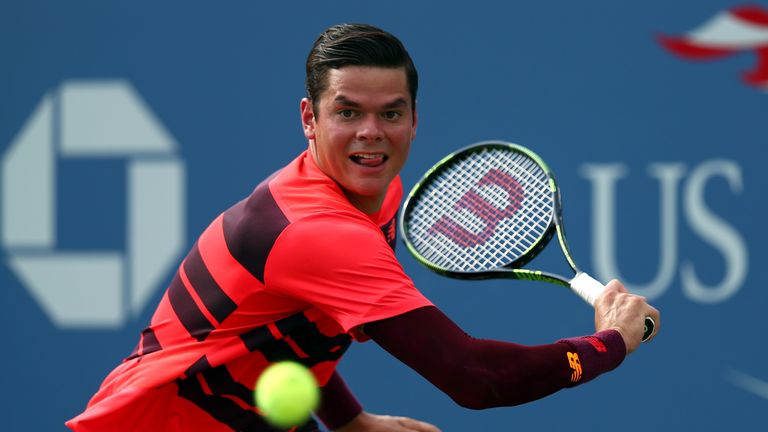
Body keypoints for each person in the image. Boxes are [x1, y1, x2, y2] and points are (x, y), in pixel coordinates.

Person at [66, 23, 660, 432]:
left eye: (390, 113)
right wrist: (609, 345)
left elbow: (287, 330)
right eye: (347, 112)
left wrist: (348, 420)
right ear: (310, 118)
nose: (370, 133)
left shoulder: (372, 195)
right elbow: (477, 378)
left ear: (414, 119)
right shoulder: (318, 232)